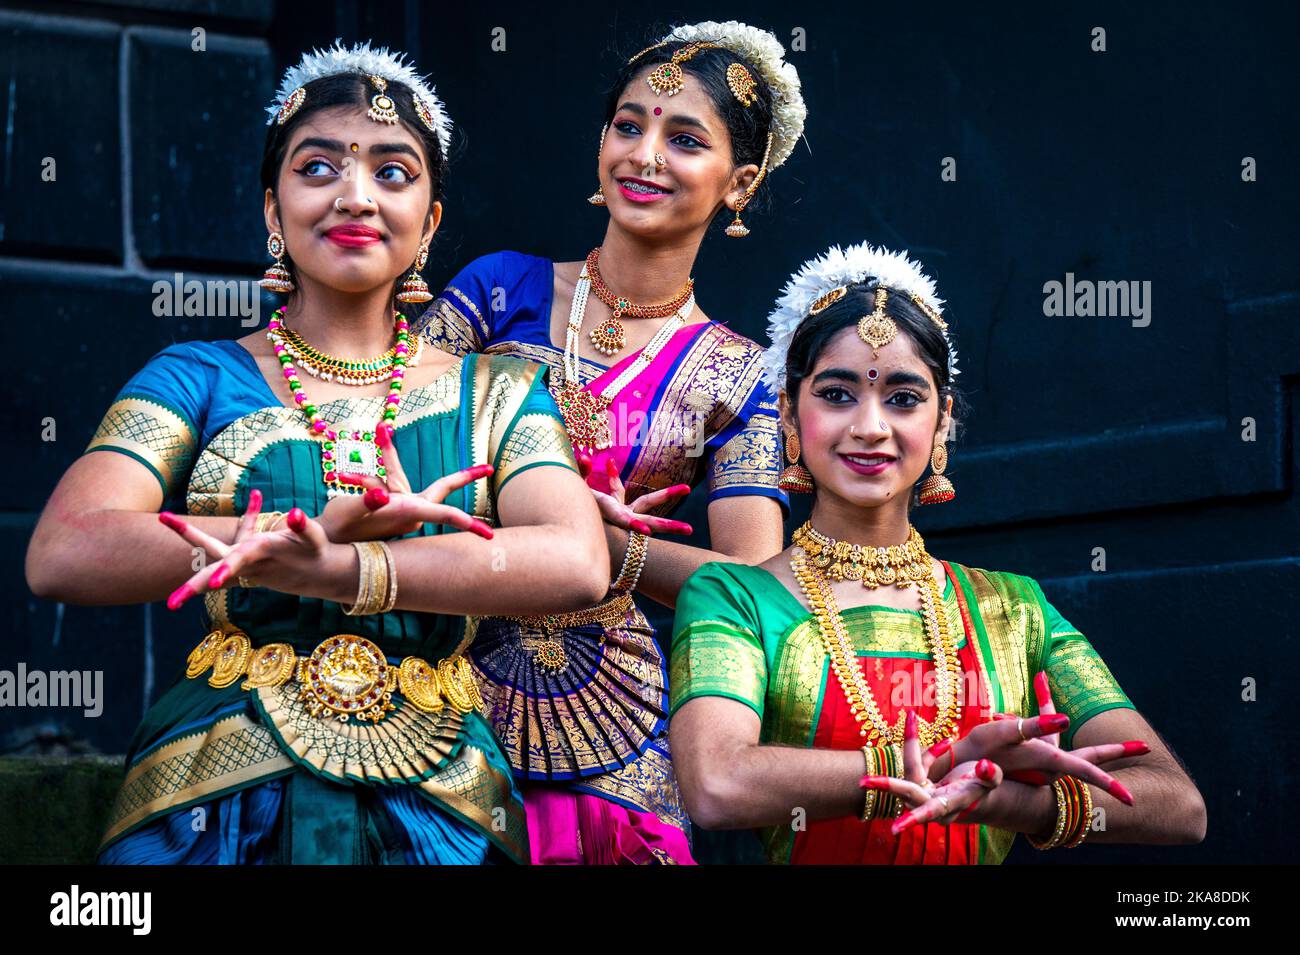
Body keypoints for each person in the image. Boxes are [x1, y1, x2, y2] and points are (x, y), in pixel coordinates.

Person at [24, 41, 609, 864]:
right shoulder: (196, 376)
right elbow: (65, 548)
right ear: (273, 210)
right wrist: (273, 548)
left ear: (431, 220)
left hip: (445, 799)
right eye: (318, 168)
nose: (355, 196)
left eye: (394, 173)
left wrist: (346, 571)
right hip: (215, 795)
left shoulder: (504, 391)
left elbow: (576, 558)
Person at [669, 241, 1207, 863]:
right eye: (837, 394)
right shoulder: (735, 599)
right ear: (789, 415)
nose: (870, 426)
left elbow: (1178, 805)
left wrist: (1007, 803)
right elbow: (716, 785)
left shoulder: (1012, 608)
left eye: (903, 398)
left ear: (942, 421)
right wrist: (941, 766)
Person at [415, 20, 807, 864]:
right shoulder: (496, 290)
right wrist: (533, 507)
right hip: (439, 671)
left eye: (684, 138)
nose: (644, 154)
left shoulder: (740, 379)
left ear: (739, 183)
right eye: (628, 125)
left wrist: (612, 546)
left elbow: (757, 593)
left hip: (619, 722)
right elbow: (381, 446)